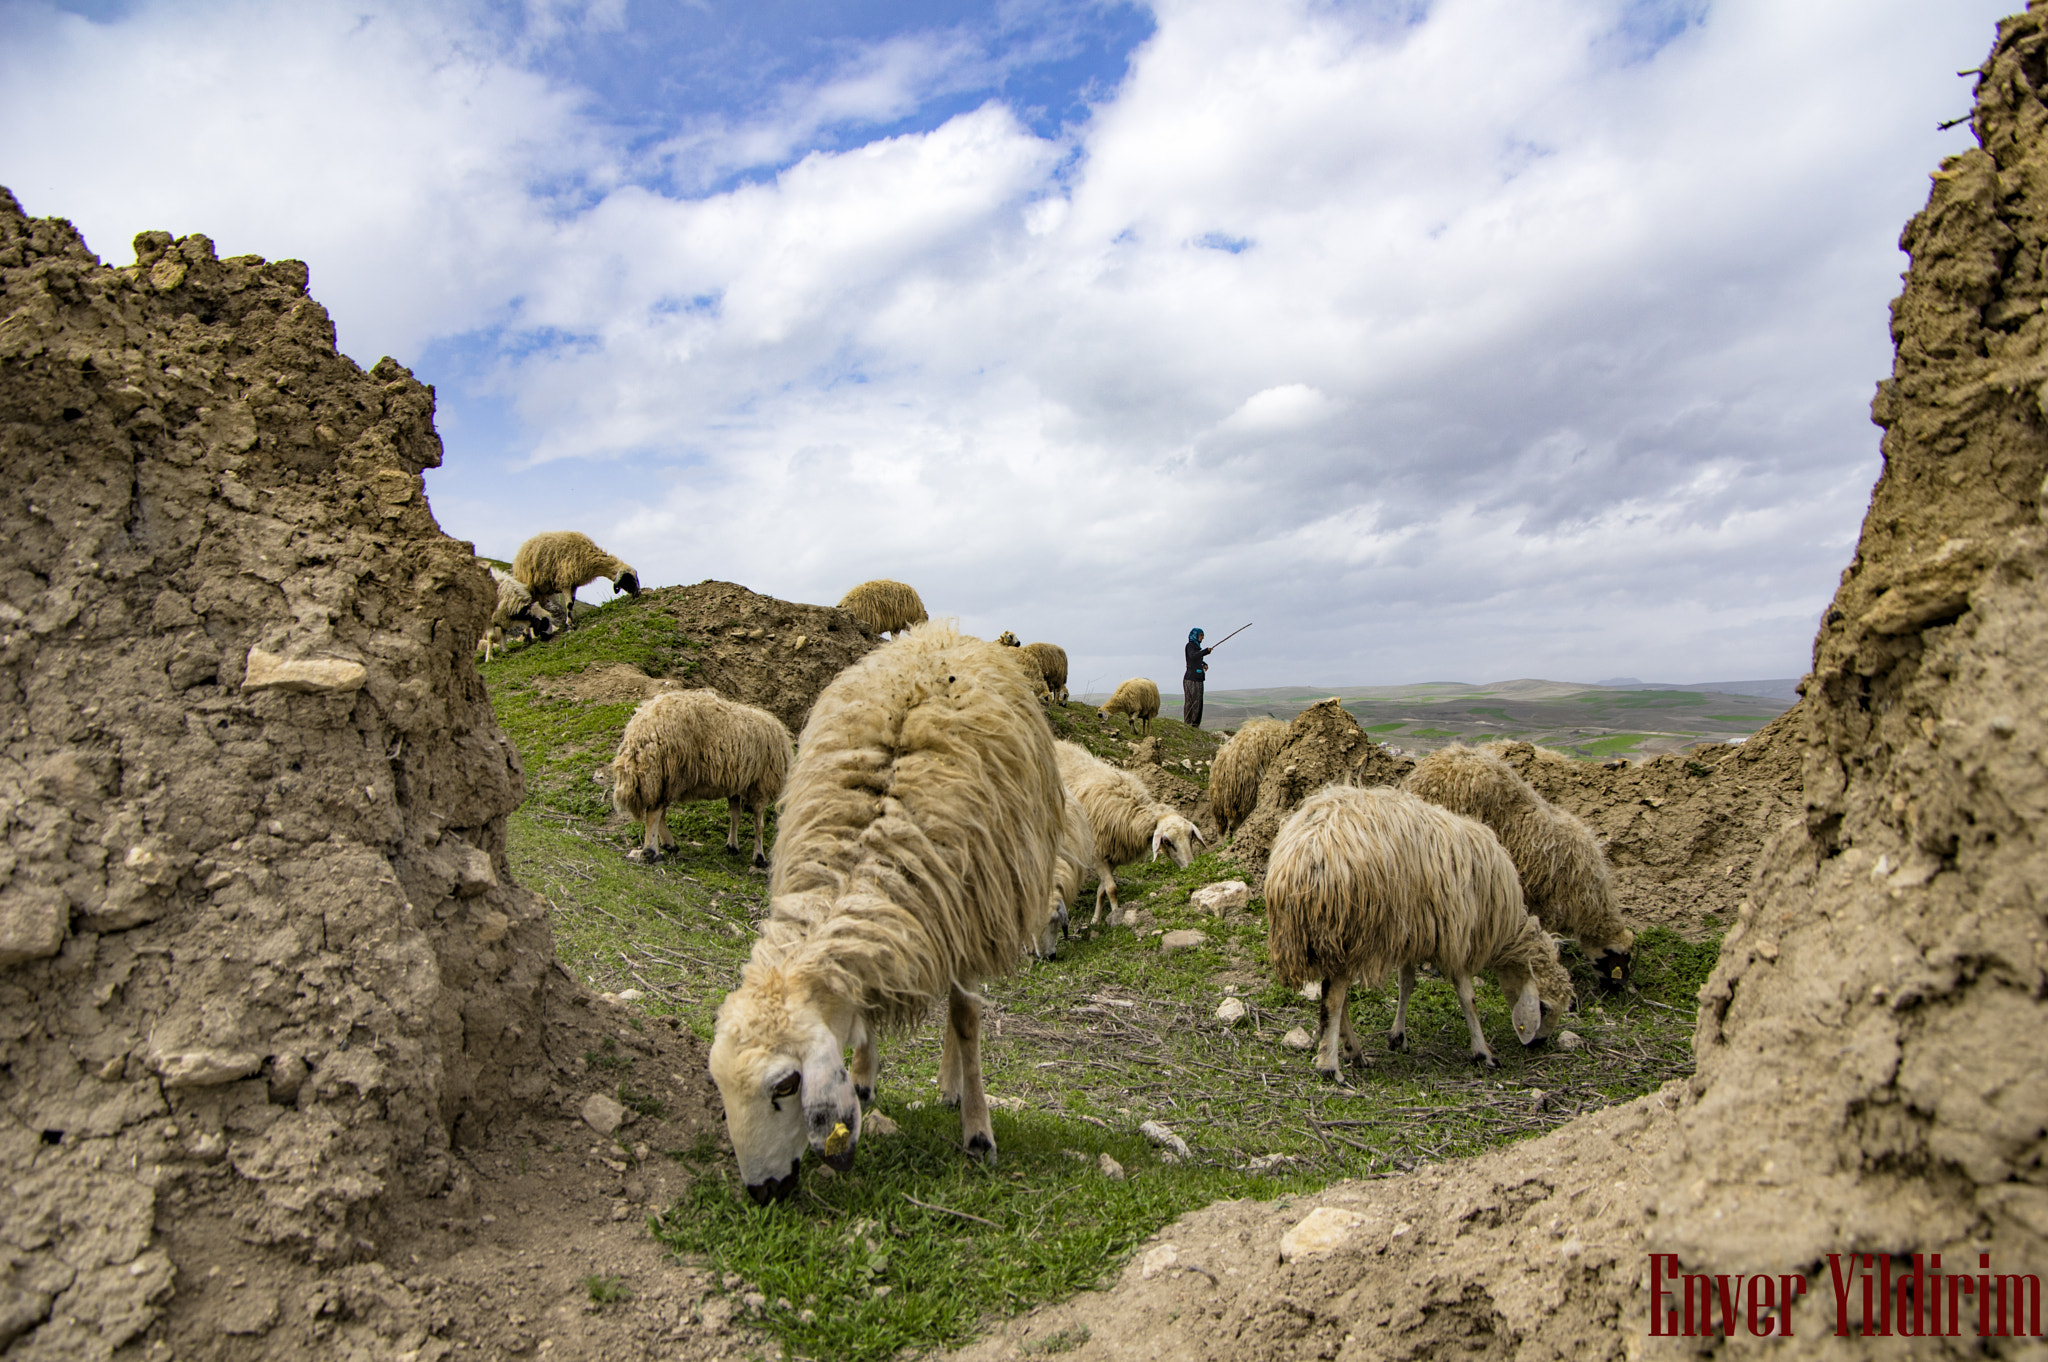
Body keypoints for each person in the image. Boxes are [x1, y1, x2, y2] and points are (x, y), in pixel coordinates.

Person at [1183, 627, 1212, 729]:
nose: (1202, 638)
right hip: (1191, 679)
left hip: (1198, 679)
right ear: (1195, 635)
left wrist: (1203, 664)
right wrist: (1205, 652)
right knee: (1191, 702)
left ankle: (1195, 725)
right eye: (1201, 635)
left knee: (1198, 702)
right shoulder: (1190, 646)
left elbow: (1196, 659)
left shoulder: (1196, 647)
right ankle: (1188, 724)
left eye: (1203, 635)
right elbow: (1193, 656)